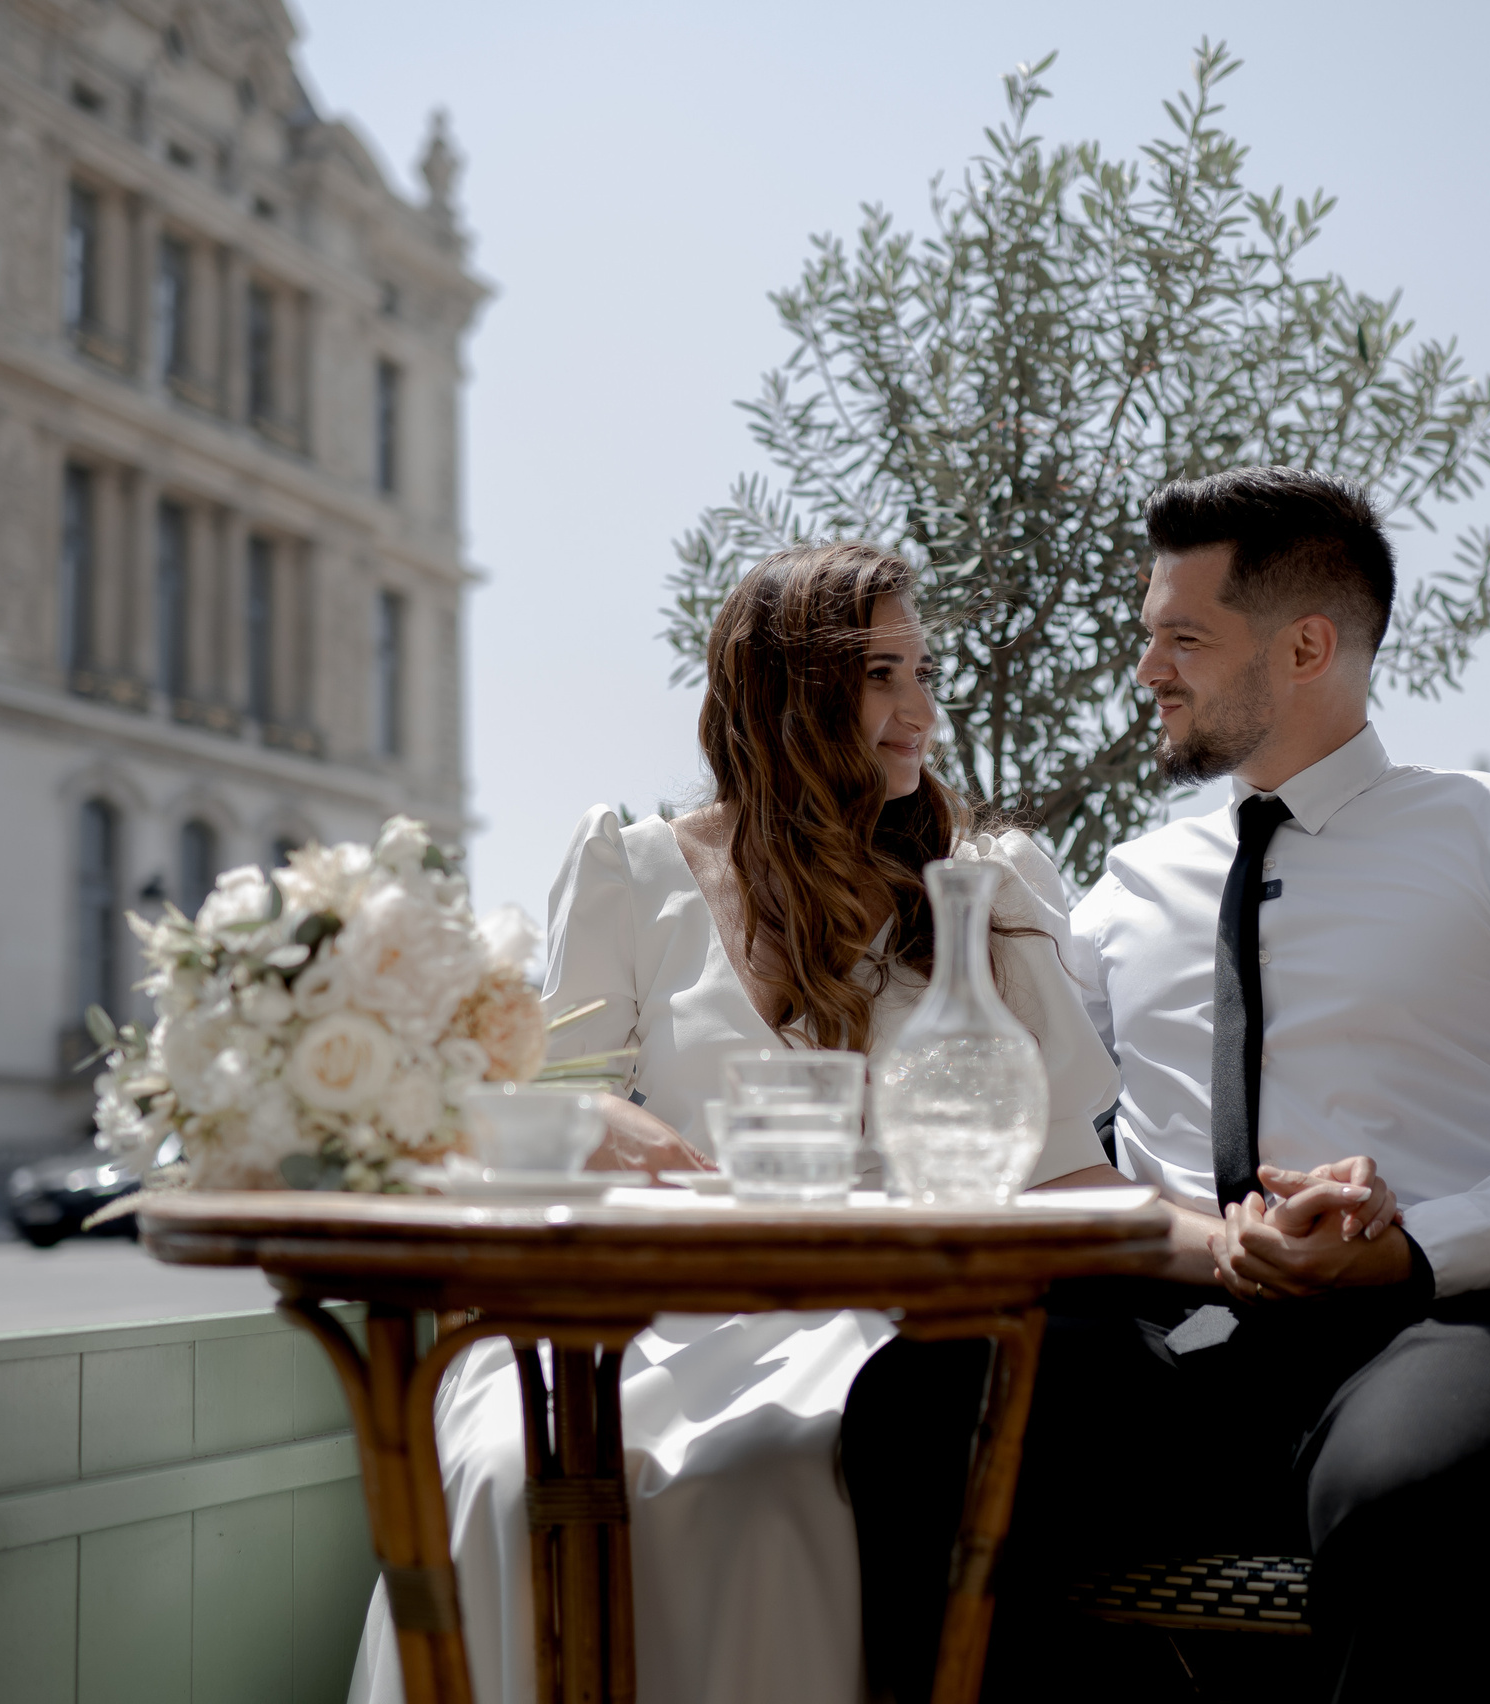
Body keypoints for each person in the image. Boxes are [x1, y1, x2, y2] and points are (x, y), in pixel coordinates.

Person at [842, 466, 1490, 1703]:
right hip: (1186, 1346)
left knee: (1403, 1491)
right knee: (916, 1407)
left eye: (1182, 639)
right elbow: (1029, 1106)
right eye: (1147, 636)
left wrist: (1415, 1246)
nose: (1147, 671)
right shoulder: (1127, 885)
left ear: (1306, 645)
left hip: (1451, 1325)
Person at [345, 541, 1122, 1704]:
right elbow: (550, 1090)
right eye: (880, 676)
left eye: (924, 671)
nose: (921, 712)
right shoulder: (630, 866)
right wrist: (608, 1119)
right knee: (514, 1472)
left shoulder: (982, 886)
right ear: (784, 690)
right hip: (650, 1312)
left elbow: (1064, 1167)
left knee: (767, 1478)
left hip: (889, 1330)